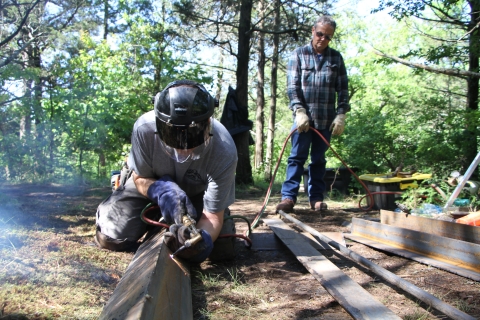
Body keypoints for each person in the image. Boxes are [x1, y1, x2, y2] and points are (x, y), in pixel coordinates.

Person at [95, 79, 238, 263]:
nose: (183, 150)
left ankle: (176, 226)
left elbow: (212, 216)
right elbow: (140, 178)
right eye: (173, 136)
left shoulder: (224, 149)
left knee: (219, 250)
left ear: (208, 123)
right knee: (111, 236)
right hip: (148, 184)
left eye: (192, 137)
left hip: (197, 194)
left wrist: (199, 240)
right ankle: (153, 213)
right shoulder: (144, 129)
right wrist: (161, 191)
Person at [276, 15, 350, 213]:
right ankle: (288, 198)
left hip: (326, 120)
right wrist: (299, 110)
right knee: (296, 158)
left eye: (328, 37)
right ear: (313, 31)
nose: (323, 39)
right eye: (320, 34)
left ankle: (316, 198)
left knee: (319, 160)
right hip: (303, 121)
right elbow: (292, 87)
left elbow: (343, 90)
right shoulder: (298, 54)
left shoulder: (336, 58)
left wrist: (341, 114)